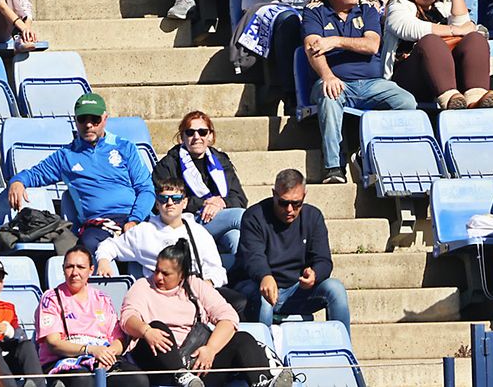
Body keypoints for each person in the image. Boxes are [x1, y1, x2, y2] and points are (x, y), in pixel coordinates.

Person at [298, 0, 414, 184]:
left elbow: (371, 45)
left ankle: (384, 156)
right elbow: (312, 48)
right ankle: (333, 168)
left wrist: (335, 41)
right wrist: (328, 76)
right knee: (330, 95)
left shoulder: (367, 10)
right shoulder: (314, 12)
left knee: (406, 102)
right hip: (336, 81)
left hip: (372, 82)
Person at [121, 242, 293, 387]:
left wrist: (210, 349)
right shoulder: (143, 286)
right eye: (157, 270)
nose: (158, 277)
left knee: (242, 339)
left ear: (182, 275)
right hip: (158, 363)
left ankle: (262, 382)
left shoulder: (195, 285)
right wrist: (146, 331)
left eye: (166, 274)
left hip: (195, 363)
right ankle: (181, 376)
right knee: (157, 327)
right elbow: (128, 318)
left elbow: (228, 316)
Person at [9, 91, 155, 257]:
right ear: (75, 120)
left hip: (135, 217)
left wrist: (134, 220)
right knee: (89, 245)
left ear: (105, 119)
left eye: (95, 119)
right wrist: (18, 181)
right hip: (99, 224)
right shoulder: (66, 156)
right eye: (82, 119)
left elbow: (146, 189)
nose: (88, 125)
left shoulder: (125, 147)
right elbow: (34, 174)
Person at [232, 167, 348, 331]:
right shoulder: (255, 216)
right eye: (283, 203)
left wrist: (315, 275)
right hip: (257, 285)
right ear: (274, 194)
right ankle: (263, 353)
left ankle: (343, 349)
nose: (289, 210)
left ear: (304, 196)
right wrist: (264, 276)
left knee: (335, 289)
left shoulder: (313, 217)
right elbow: (253, 257)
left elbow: (323, 259)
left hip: (296, 289)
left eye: (296, 203)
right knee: (265, 298)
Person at [384, 0, 493, 110]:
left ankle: (475, 99)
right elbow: (408, 28)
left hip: (448, 74)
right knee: (430, 42)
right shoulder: (398, 5)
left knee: (475, 39)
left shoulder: (443, 6)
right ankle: (449, 100)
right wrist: (454, 30)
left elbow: (463, 23)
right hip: (411, 76)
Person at [35, 245, 145, 387]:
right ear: (63, 269)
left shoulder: (102, 298)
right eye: (70, 267)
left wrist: (106, 355)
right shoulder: (51, 298)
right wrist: (91, 350)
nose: (75, 272)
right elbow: (54, 343)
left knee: (137, 380)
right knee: (84, 380)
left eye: (81, 267)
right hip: (64, 360)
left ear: (91, 270)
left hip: (101, 358)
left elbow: (119, 339)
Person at [153, 112, 248, 264]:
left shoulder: (221, 160)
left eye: (203, 132)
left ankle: (238, 281)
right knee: (240, 216)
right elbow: (162, 200)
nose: (197, 137)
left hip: (219, 218)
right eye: (190, 132)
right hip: (187, 220)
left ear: (210, 136)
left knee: (235, 237)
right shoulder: (169, 164)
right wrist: (204, 204)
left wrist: (220, 203)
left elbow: (240, 197)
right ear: (182, 137)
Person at [95, 176, 227, 286]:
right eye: (164, 199)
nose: (170, 203)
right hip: (159, 292)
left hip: (195, 287)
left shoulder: (198, 232)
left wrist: (206, 285)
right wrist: (104, 262)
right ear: (157, 205)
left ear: (185, 203)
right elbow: (109, 246)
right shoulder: (143, 231)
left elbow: (216, 269)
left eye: (176, 199)